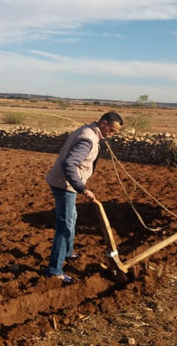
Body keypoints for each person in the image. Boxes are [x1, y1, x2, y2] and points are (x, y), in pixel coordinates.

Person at [44, 111, 123, 283]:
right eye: (112, 130)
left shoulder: (89, 131)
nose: (112, 135)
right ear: (103, 123)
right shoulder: (88, 139)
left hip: (63, 182)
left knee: (72, 217)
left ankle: (68, 253)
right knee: (65, 227)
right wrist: (82, 188)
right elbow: (70, 164)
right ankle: (54, 271)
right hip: (64, 185)